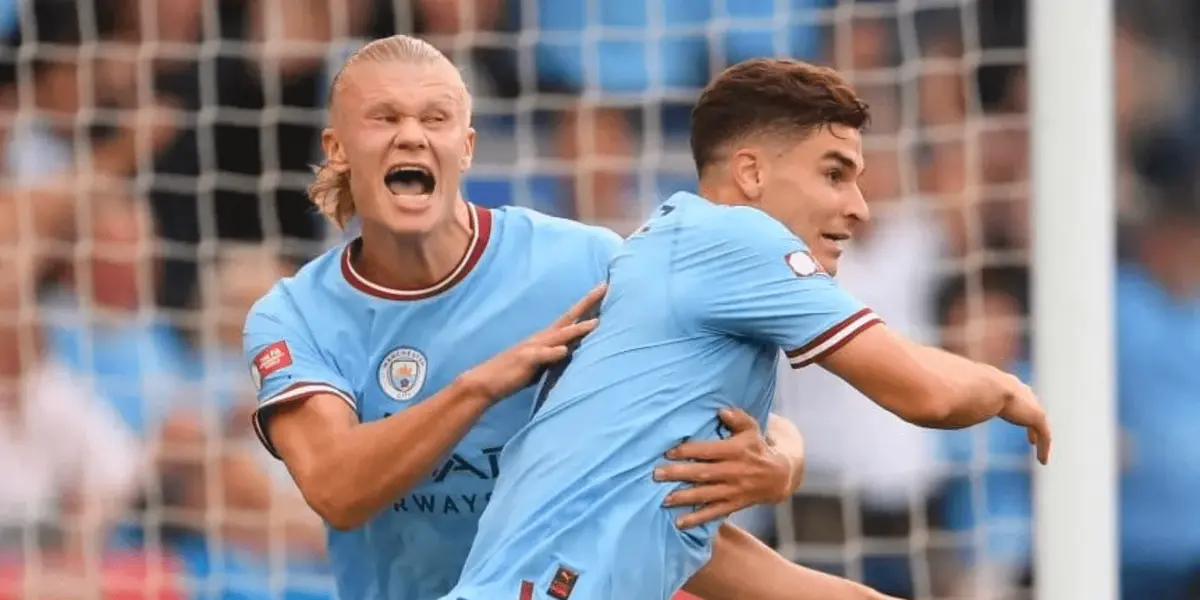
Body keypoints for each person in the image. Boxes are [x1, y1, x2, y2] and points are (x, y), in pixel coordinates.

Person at [243, 35, 846, 600]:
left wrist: (780, 465)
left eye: (434, 119)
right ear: (337, 149)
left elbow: (738, 420)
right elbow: (338, 490)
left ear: (467, 145)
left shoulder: (588, 263)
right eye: (385, 117)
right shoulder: (297, 315)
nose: (411, 137)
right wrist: (482, 385)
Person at [445, 58, 1052, 600]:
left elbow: (687, 534)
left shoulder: (684, 251)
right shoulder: (740, 239)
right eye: (835, 174)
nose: (859, 206)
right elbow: (927, 394)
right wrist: (1006, 389)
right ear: (752, 174)